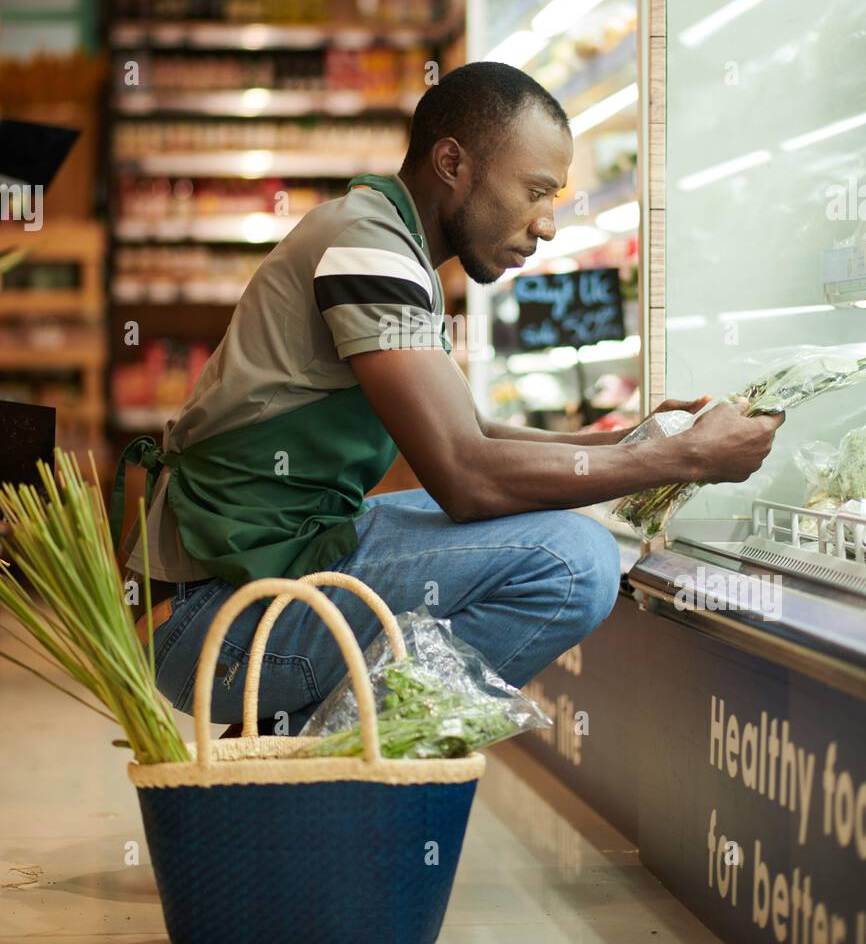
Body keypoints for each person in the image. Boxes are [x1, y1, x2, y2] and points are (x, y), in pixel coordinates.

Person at [115, 62, 783, 734]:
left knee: (553, 537)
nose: (546, 224)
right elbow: (465, 476)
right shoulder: (367, 249)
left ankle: (291, 763)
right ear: (452, 163)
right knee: (574, 561)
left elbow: (475, 435)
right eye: (535, 192)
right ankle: (342, 765)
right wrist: (688, 460)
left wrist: (632, 439)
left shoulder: (391, 244)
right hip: (222, 616)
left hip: (271, 567)